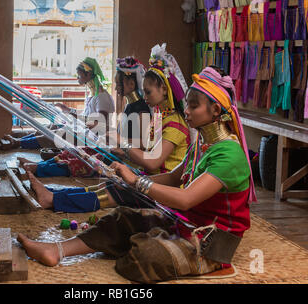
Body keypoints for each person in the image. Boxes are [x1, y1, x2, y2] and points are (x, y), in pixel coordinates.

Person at [17, 65, 257, 283]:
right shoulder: (203, 145)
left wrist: (138, 182)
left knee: (142, 256)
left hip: (209, 244)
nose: (187, 110)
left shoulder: (229, 155)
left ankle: (151, 240)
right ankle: (56, 250)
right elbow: (174, 178)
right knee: (120, 217)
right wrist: (129, 181)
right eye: (187, 104)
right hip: (185, 224)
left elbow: (186, 198)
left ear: (215, 110)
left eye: (194, 105)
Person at [22, 46, 192, 212]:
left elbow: (152, 160)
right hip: (148, 176)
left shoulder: (173, 123)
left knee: (113, 188)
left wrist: (122, 145)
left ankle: (52, 196)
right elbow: (147, 148)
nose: (145, 96)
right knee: (106, 178)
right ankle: (54, 194)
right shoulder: (159, 117)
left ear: (164, 89)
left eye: (148, 92)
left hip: (160, 183)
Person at [3, 57, 115, 150]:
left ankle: (17, 143)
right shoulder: (93, 95)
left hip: (93, 138)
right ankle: (18, 141)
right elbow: (87, 114)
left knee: (59, 133)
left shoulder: (102, 97)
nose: (77, 78)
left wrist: (73, 117)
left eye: (79, 75)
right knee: (52, 126)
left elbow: (100, 124)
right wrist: (68, 110)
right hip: (83, 130)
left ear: (89, 74)